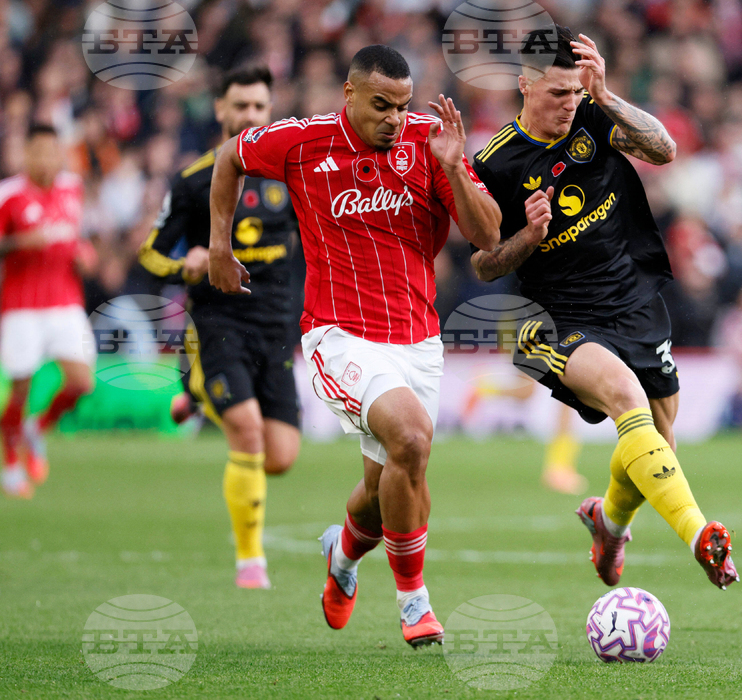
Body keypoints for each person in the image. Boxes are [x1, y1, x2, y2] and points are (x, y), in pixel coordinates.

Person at [207, 45, 500, 645]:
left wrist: (451, 166)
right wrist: (219, 245)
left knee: (381, 487)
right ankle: (414, 602)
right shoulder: (301, 140)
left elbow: (487, 235)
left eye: (402, 105)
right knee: (412, 439)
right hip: (337, 336)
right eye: (381, 105)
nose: (394, 118)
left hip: (418, 342)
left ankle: (342, 556)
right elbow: (228, 158)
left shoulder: (429, 140)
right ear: (348, 95)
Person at [470, 27, 739, 590]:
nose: (569, 104)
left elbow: (664, 151)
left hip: (634, 299)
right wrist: (530, 236)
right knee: (626, 399)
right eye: (557, 94)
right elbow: (483, 263)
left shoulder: (594, 114)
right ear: (524, 84)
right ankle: (699, 536)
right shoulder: (495, 163)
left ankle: (609, 523)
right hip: (558, 316)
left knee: (657, 440)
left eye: (575, 92)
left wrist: (606, 94)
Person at [138, 67, 302, 590]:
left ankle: (198, 391)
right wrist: (185, 264)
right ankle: (250, 562)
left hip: (276, 323)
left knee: (280, 458)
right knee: (248, 433)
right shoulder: (192, 181)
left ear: (269, 110)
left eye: (259, 107)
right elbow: (149, 254)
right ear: (220, 110)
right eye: (241, 106)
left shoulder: (292, 176)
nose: (250, 116)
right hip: (217, 320)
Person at [0, 123, 97, 498]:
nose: (46, 159)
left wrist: (84, 254)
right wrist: (22, 241)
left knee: (81, 383)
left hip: (64, 300)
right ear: (27, 154)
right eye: (38, 151)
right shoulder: (10, 194)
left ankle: (36, 429)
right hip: (21, 304)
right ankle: (10, 459)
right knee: (20, 389)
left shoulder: (72, 188)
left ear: (60, 154)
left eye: (52, 151)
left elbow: (77, 238)